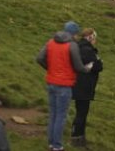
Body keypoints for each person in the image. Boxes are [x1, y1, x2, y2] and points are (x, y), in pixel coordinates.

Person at [36, 21, 93, 151]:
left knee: (53, 113)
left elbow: (39, 58)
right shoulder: (72, 45)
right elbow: (78, 66)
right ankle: (57, 145)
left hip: (51, 82)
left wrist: (49, 69)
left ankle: (51, 142)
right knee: (61, 115)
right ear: (74, 34)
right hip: (64, 85)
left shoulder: (51, 42)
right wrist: (87, 68)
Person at [70, 28, 104, 148]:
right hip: (84, 86)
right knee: (82, 113)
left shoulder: (80, 47)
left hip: (80, 85)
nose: (95, 40)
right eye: (94, 38)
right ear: (90, 37)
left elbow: (94, 64)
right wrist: (97, 62)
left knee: (81, 112)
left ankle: (79, 136)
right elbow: (98, 66)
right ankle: (77, 137)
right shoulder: (87, 50)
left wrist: (95, 63)